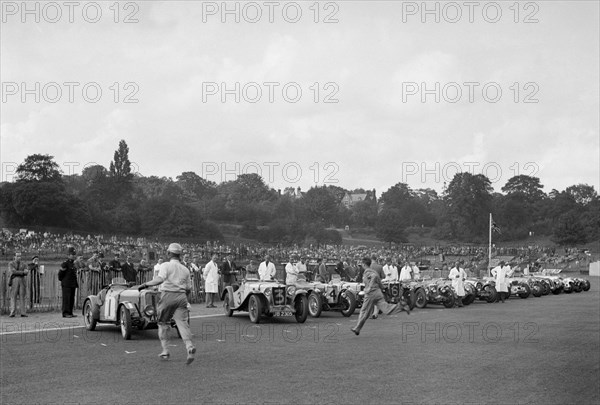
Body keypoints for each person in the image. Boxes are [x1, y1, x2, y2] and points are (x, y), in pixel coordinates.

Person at [138, 243, 195, 365]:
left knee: (163, 323)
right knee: (182, 323)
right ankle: (189, 346)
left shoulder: (165, 265)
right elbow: (189, 288)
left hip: (168, 295)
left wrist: (146, 284)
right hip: (181, 296)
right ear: (180, 255)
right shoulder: (185, 269)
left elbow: (160, 279)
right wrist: (185, 299)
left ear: (169, 253)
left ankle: (165, 350)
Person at [351, 257, 410, 336]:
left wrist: (369, 287)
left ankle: (357, 328)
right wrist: (383, 288)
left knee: (364, 311)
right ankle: (401, 306)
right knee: (386, 309)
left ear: (364, 264)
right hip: (378, 293)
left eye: (361, 264)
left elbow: (373, 277)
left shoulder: (367, 272)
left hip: (370, 294)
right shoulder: (374, 271)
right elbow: (379, 281)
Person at [58, 247, 79, 318]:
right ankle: (65, 313)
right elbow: (60, 275)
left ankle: (70, 312)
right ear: (68, 255)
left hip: (72, 284)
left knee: (71, 299)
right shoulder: (65, 264)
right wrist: (64, 281)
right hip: (66, 284)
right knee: (66, 299)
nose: (73, 256)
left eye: (74, 254)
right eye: (72, 254)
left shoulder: (73, 264)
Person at [9, 252, 29, 317]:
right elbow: (13, 271)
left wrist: (22, 272)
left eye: (20, 256)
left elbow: (26, 272)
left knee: (22, 296)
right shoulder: (11, 263)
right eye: (17, 256)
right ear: (14, 256)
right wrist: (22, 272)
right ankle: (12, 312)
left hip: (22, 280)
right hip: (14, 280)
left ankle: (23, 313)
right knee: (13, 296)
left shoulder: (24, 264)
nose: (19, 257)